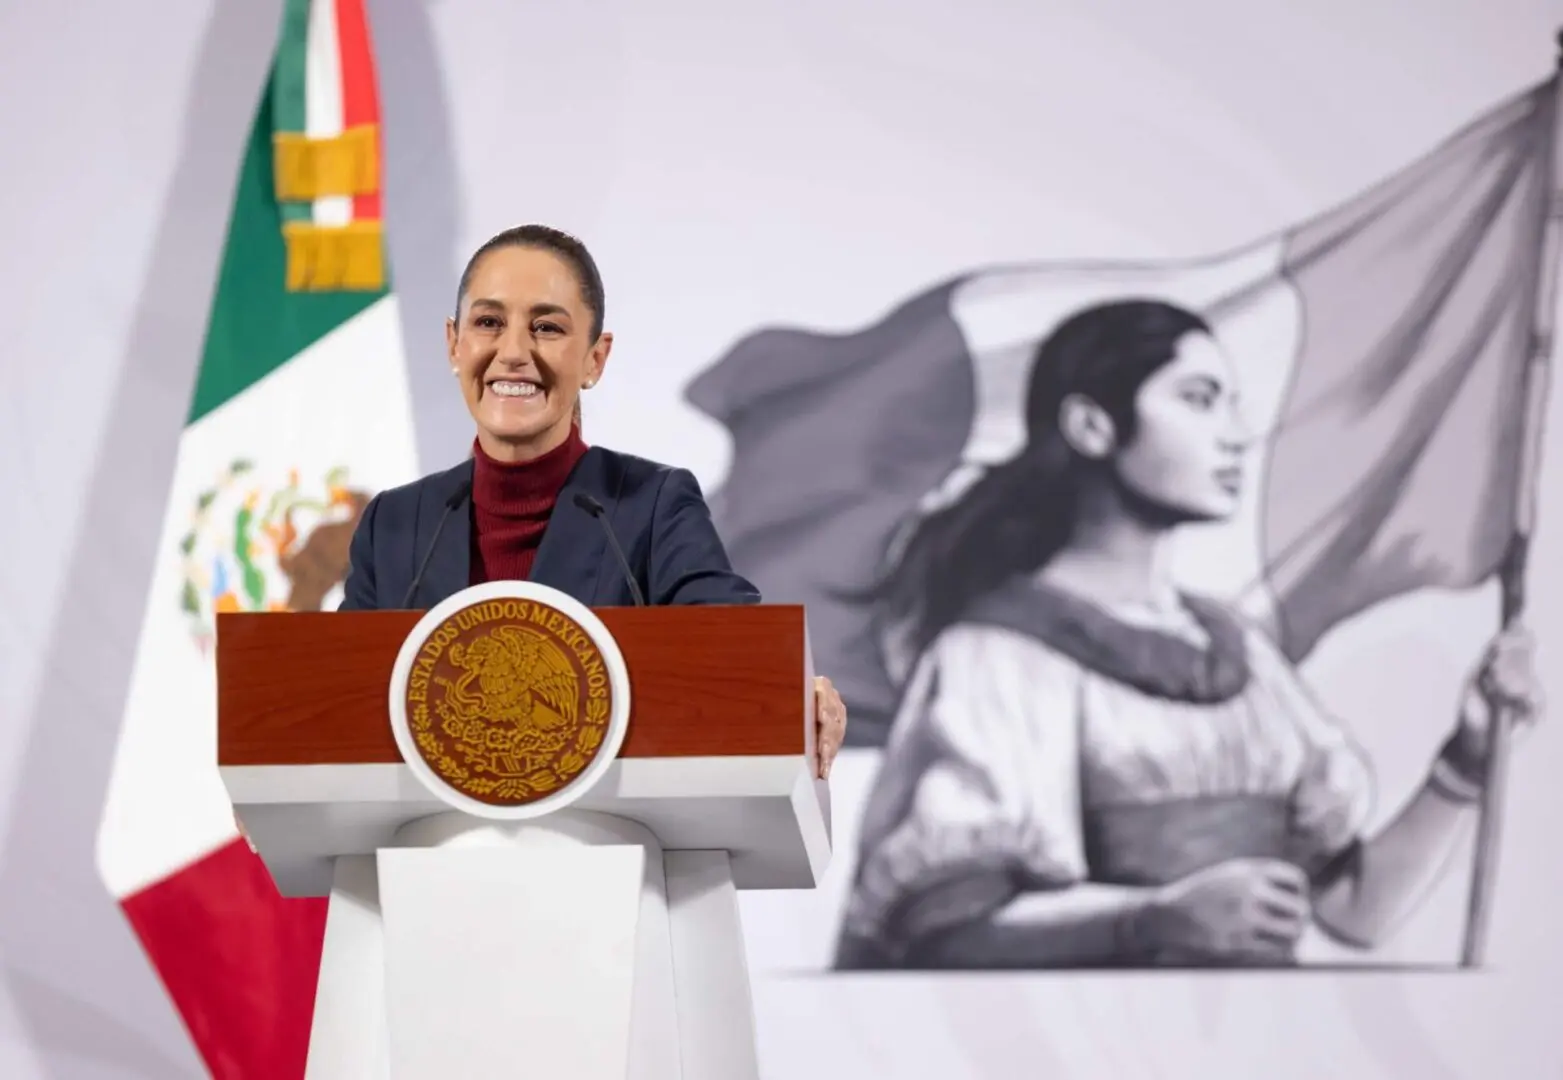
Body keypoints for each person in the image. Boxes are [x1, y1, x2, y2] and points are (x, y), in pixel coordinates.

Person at [833, 298, 1540, 969]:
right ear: (1091, 426)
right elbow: (946, 932)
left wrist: (1467, 759)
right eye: (1198, 400)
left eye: (1230, 403)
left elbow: (1356, 912)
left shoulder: (1241, 654)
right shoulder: (997, 656)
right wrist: (1152, 919)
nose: (1234, 433)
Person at [337, 224, 848, 778]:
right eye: (488, 323)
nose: (513, 352)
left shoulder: (653, 506)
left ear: (595, 359)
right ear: (453, 344)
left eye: (547, 327)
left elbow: (736, 653)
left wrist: (796, 688)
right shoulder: (394, 524)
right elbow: (336, 695)